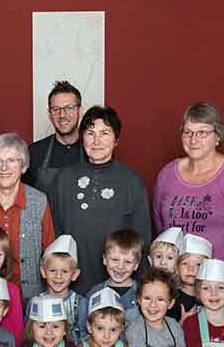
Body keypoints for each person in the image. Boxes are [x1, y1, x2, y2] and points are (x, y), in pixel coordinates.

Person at [153, 102, 224, 287]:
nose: (193, 140)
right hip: (173, 286)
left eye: (202, 132)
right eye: (188, 132)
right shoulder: (167, 174)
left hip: (218, 288)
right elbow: (160, 225)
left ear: (218, 136)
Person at [50, 106, 151, 293]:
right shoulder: (64, 178)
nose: (97, 141)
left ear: (116, 140)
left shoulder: (132, 181)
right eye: (90, 133)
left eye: (104, 133)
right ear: (82, 138)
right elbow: (54, 233)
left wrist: (139, 290)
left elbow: (142, 240)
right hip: (70, 284)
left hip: (118, 284)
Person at [0, 133, 57, 298]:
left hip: (30, 297)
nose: (4, 168)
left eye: (12, 160)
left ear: (23, 166)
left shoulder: (38, 201)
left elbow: (49, 252)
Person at [126, 269, 191, 347]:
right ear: (138, 300)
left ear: (170, 303)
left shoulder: (174, 326)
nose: (153, 305)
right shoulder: (135, 327)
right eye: (147, 298)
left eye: (160, 299)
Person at [77, 229, 144, 340]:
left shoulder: (142, 292)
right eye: (114, 259)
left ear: (136, 265)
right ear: (104, 259)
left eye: (128, 262)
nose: (120, 267)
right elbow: (84, 330)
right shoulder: (94, 293)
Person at [25, 80, 85, 195]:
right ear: (49, 114)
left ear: (80, 111)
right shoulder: (33, 152)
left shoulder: (94, 151)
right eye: (56, 109)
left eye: (69, 108)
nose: (62, 115)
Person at [31, 235, 84, 343]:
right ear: (43, 271)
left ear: (74, 274)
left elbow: (84, 337)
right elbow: (29, 334)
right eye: (52, 270)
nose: (58, 276)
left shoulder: (80, 303)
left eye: (65, 271)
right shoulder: (35, 302)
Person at [172, 234, 213, 322]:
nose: (190, 269)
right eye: (185, 263)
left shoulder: (214, 298)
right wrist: (181, 324)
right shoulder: (171, 299)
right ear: (177, 268)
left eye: (198, 264)